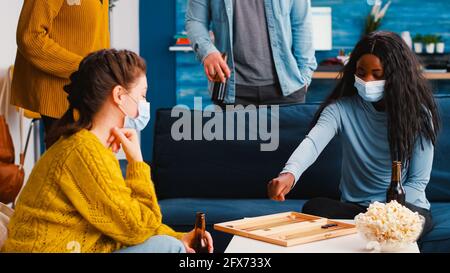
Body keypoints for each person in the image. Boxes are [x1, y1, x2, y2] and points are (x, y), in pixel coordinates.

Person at [1, 49, 214, 253]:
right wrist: (137, 164)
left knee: (172, 244)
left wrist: (180, 237)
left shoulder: (88, 146)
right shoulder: (83, 152)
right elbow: (137, 227)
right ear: (119, 95)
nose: (144, 104)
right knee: (169, 249)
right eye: (142, 95)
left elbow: (123, 219)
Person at [267, 31, 440, 238]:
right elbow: (313, 143)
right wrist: (289, 173)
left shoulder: (418, 114)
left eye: (377, 74)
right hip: (356, 210)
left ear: (396, 75)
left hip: (403, 209)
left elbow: (418, 182)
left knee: (409, 225)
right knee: (315, 207)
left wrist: (384, 215)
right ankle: (372, 232)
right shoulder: (340, 109)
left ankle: (376, 232)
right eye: (361, 72)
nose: (367, 80)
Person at [11, 0, 110, 148]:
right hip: (59, 96)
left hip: (91, 91)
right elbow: (30, 38)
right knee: (69, 164)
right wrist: (84, 67)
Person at [186, 0, 317, 106]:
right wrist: (207, 52)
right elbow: (195, 20)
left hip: (287, 90)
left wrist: (305, 75)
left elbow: (301, 23)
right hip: (232, 92)